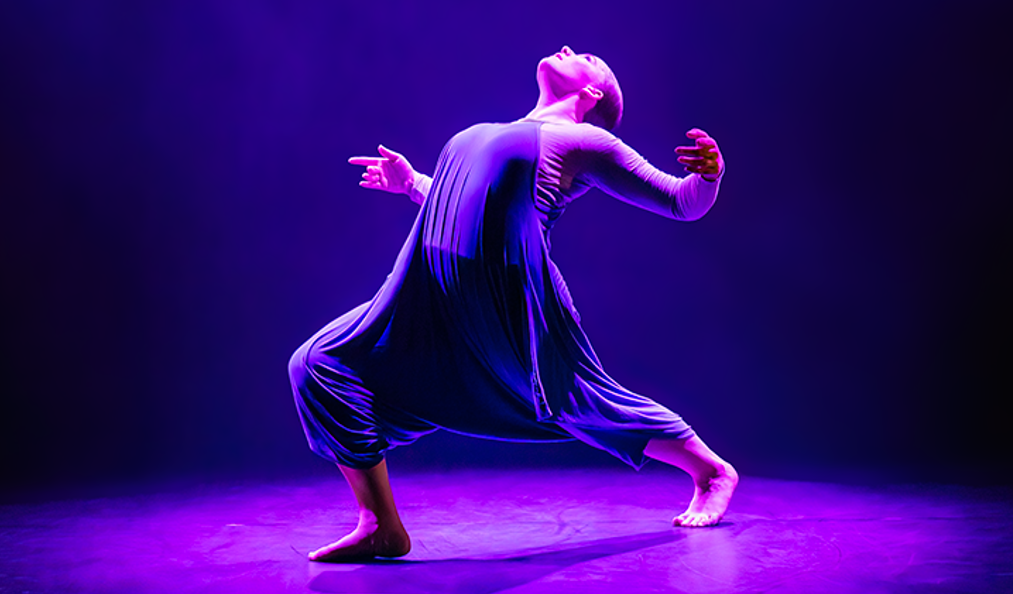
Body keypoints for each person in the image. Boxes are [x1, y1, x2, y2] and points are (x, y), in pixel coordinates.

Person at [288, 46, 737, 562]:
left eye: (586, 57)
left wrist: (709, 176)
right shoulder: (483, 132)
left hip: (508, 300)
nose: (567, 49)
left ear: (591, 94)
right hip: (431, 292)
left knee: (578, 399)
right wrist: (411, 183)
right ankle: (380, 525)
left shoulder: (584, 140)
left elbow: (681, 201)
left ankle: (711, 470)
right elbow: (468, 202)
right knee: (318, 365)